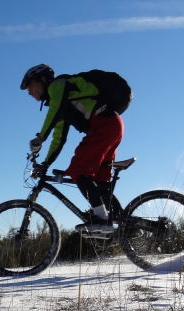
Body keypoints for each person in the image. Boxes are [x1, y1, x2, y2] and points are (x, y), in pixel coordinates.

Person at [21, 64, 124, 232]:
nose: (29, 92)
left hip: (104, 125)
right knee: (99, 182)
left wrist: (40, 137)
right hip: (110, 126)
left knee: (78, 170)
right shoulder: (64, 104)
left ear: (42, 80)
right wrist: (46, 163)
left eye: (30, 86)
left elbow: (53, 113)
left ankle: (101, 220)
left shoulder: (58, 86)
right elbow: (59, 138)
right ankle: (127, 228)